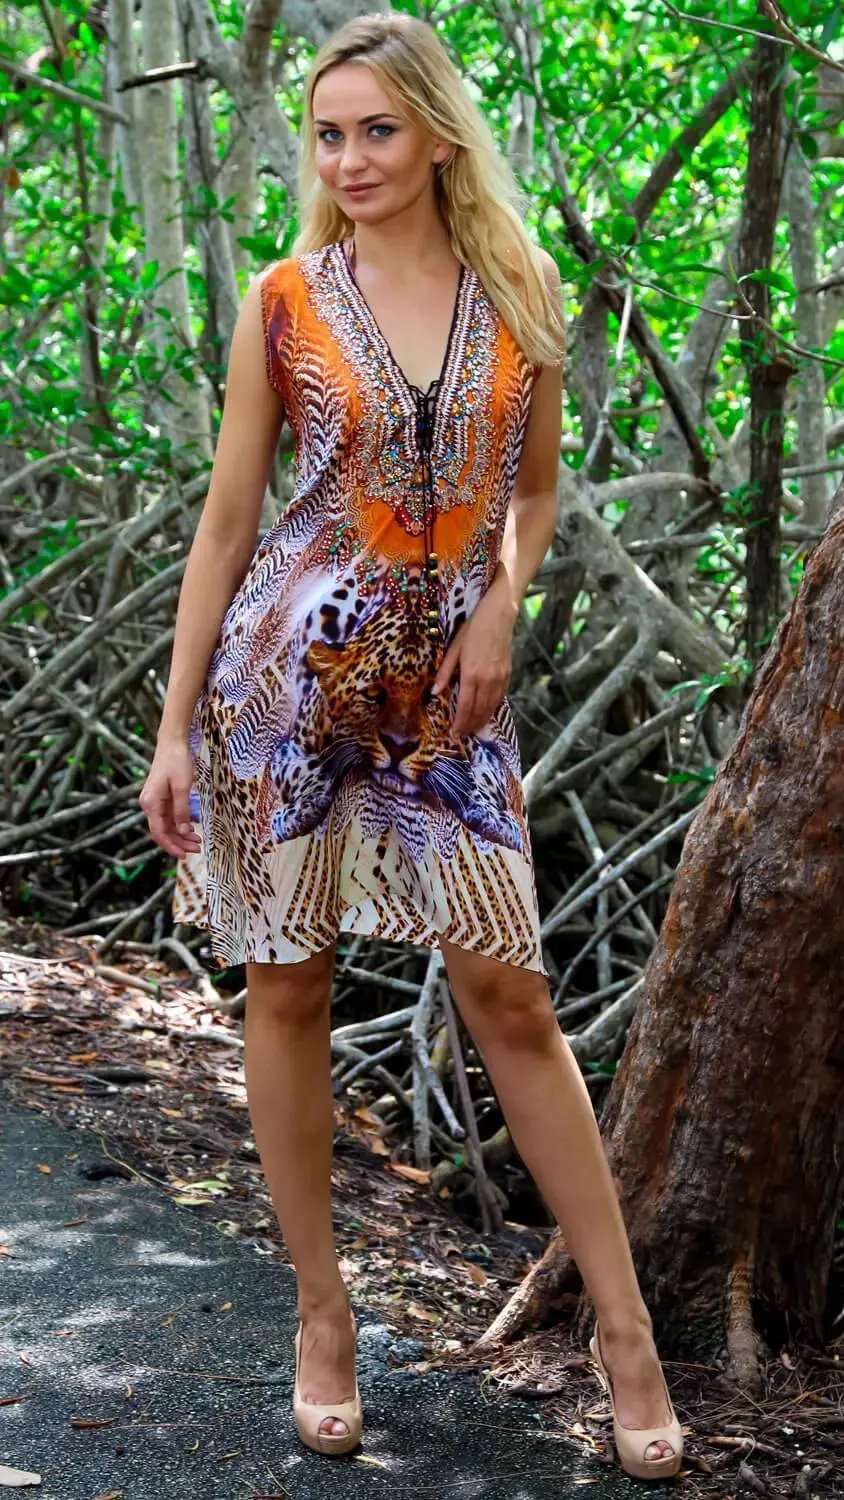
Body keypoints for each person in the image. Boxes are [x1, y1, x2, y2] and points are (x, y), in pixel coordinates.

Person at [139, 10, 683, 1480]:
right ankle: (323, 1315)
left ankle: (622, 1331)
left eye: (377, 128)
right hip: (290, 690)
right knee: (292, 984)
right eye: (328, 133)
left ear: (439, 134)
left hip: (451, 701)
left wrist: (503, 605)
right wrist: (176, 724)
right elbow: (229, 521)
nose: (349, 157)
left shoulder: (521, 290)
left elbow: (539, 495)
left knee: (511, 995)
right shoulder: (286, 301)